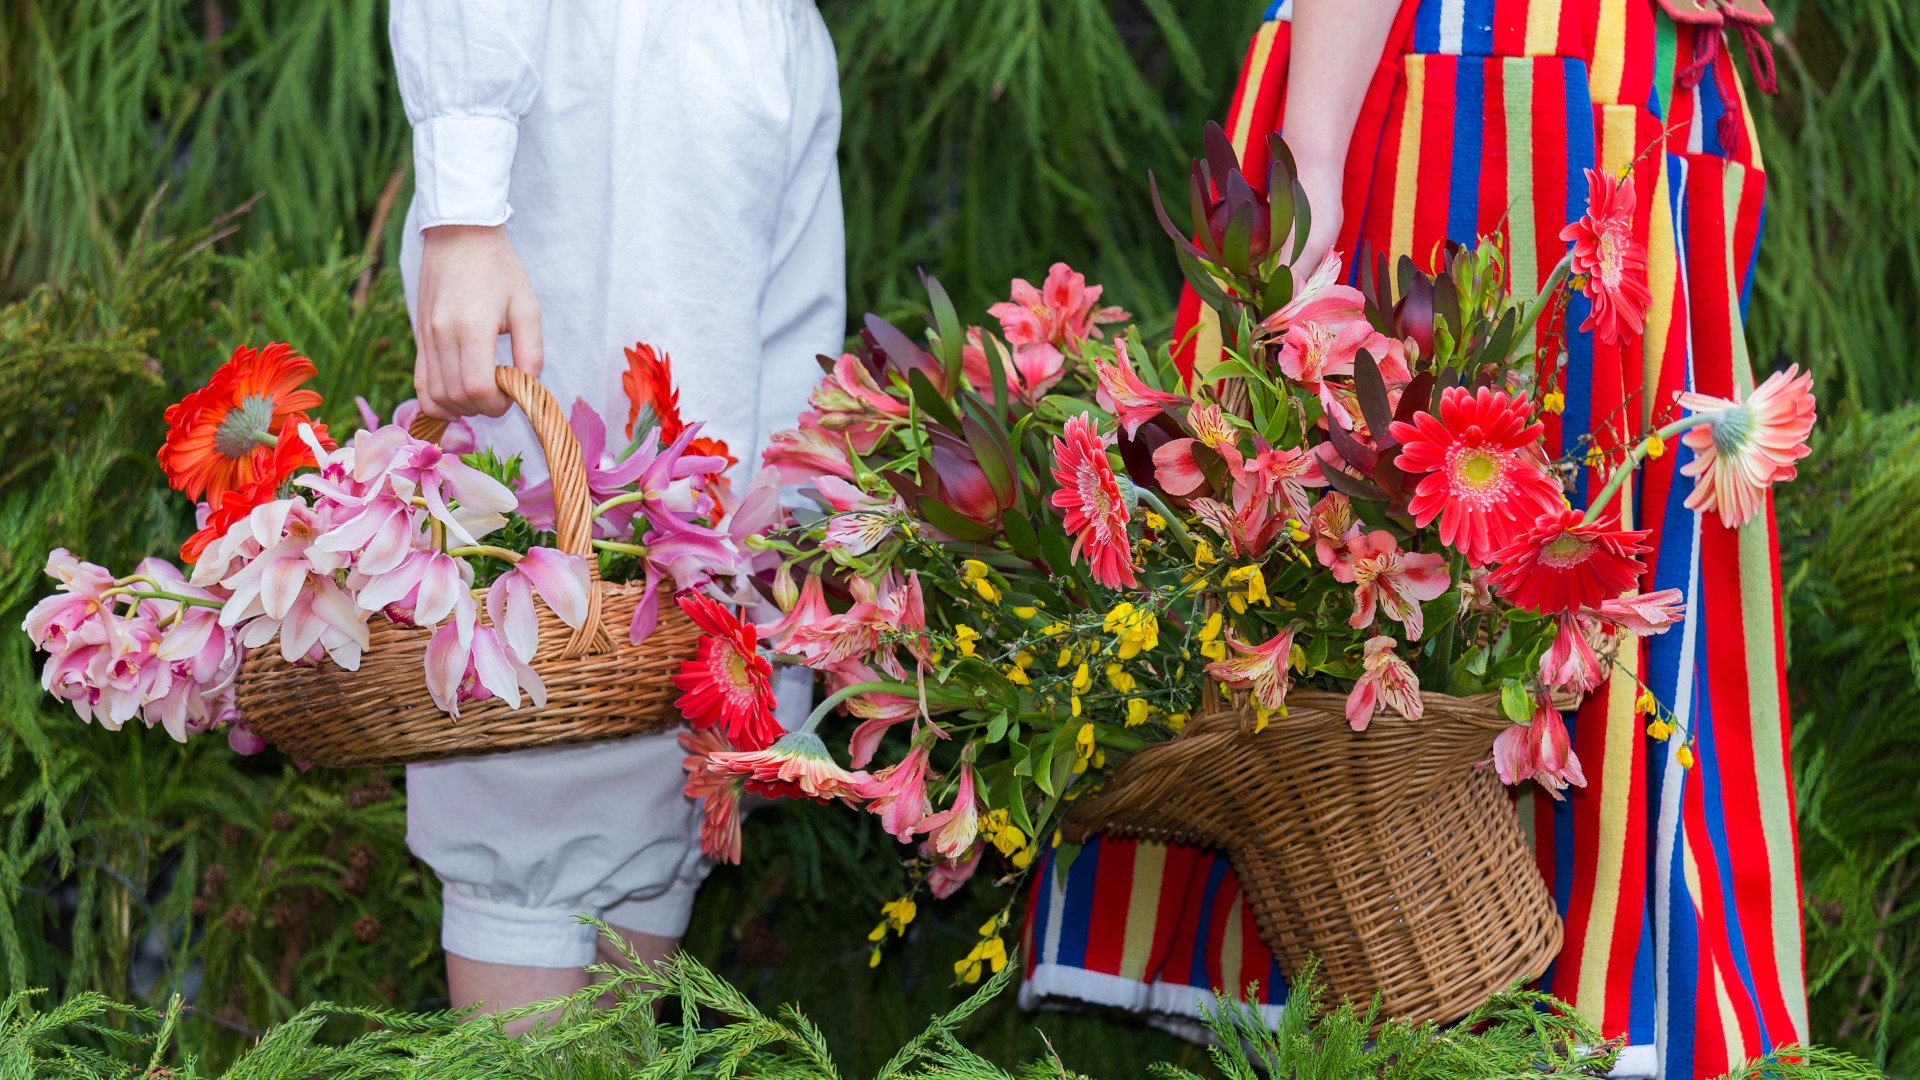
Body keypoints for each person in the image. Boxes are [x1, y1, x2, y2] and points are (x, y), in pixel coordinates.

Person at [1022, 2, 1804, 1076]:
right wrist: (1311, 163)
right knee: (1417, 624)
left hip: (1608, 107)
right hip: (1478, 110)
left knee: (1553, 624)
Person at [387, 0, 844, 1031]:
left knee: (693, 607)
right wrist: (464, 205)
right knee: (560, 636)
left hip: (750, 63)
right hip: (603, 70)